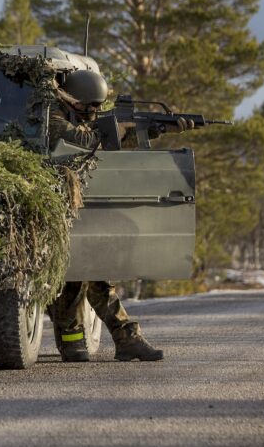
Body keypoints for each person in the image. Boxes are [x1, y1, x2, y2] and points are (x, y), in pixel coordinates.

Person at [47, 69, 192, 363]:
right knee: (74, 273)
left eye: (97, 107)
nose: (94, 112)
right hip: (57, 202)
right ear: (72, 100)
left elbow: (107, 140)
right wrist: (118, 130)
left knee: (91, 271)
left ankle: (123, 338)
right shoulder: (52, 117)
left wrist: (153, 130)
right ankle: (82, 341)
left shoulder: (83, 117)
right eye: (90, 106)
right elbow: (81, 141)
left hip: (85, 203)